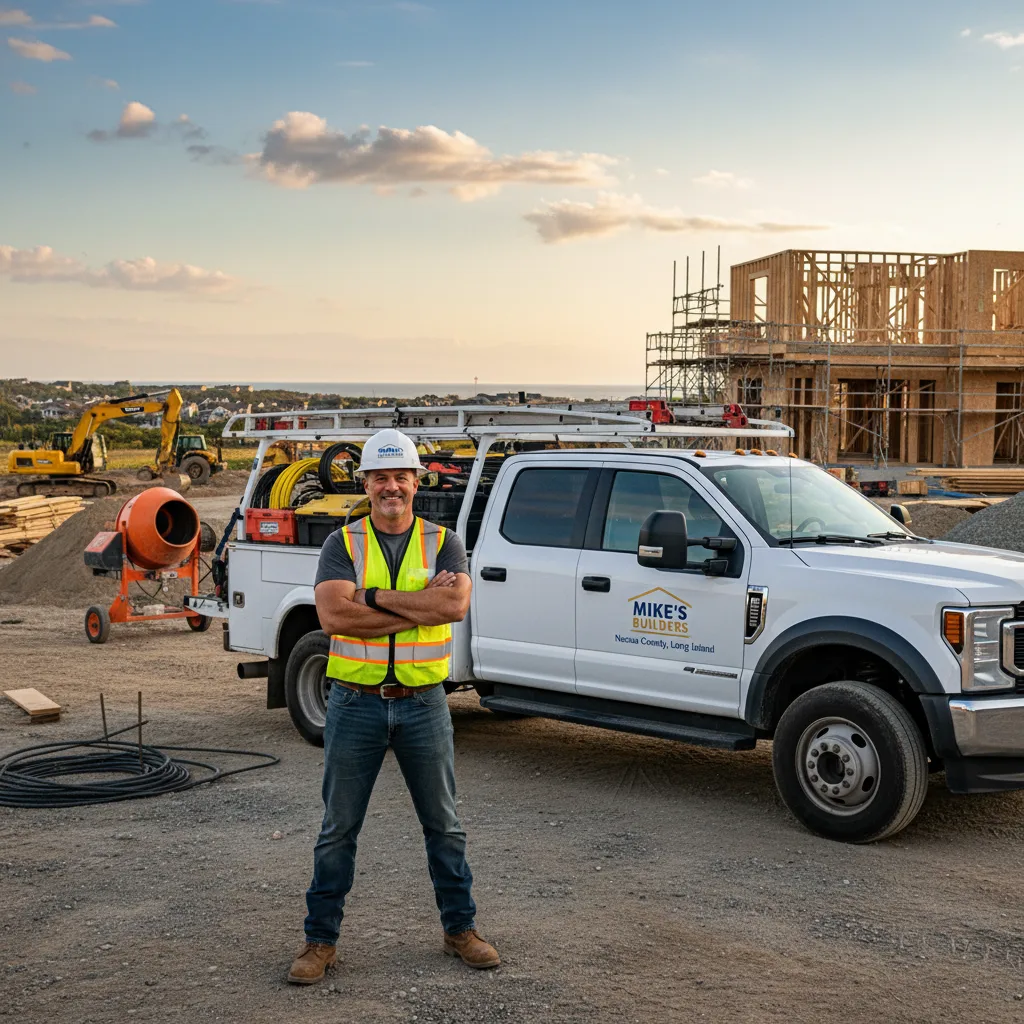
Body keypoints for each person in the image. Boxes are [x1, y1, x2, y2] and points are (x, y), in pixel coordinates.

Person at [288, 428, 499, 985]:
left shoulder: (445, 542)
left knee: (445, 825)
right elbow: (334, 618)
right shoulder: (342, 544)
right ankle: (320, 941)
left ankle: (461, 930)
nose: (391, 487)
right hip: (354, 703)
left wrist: (373, 598)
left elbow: (452, 605)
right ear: (365, 483)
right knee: (338, 827)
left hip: (423, 704)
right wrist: (416, 607)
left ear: (416, 482)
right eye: (380, 477)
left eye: (400, 476)